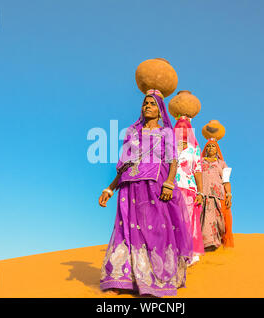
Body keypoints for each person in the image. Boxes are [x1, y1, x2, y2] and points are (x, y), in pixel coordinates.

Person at [98, 89, 192, 297]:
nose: (147, 106)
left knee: (156, 229)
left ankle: (155, 280)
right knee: (128, 230)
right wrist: (109, 189)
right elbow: (124, 166)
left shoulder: (166, 133)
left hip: (156, 185)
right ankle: (123, 280)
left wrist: (169, 183)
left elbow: (172, 160)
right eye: (145, 103)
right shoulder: (132, 133)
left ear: (160, 110)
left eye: (151, 103)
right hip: (130, 187)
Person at [173, 116, 205, 265]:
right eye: (179, 127)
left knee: (189, 221)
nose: (182, 130)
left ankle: (190, 253)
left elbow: (197, 170)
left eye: (185, 127)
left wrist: (200, 192)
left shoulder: (194, 149)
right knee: (174, 220)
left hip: (189, 188)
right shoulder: (169, 147)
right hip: (172, 187)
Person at [201, 138, 233, 248]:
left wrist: (229, 195)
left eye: (213, 146)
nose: (211, 148)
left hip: (217, 196)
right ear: (205, 149)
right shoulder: (199, 162)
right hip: (202, 194)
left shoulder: (222, 164)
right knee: (202, 217)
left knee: (218, 219)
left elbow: (226, 181)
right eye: (208, 146)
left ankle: (215, 244)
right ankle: (206, 244)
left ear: (217, 150)